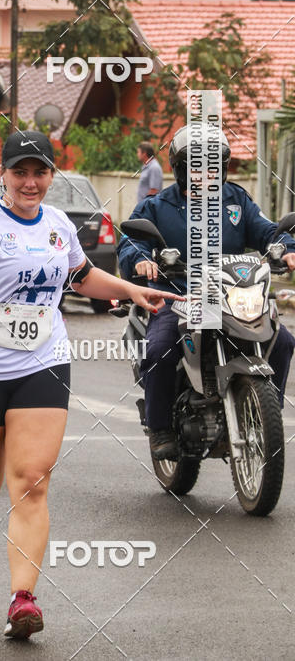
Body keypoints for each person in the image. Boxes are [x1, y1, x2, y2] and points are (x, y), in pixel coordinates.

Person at [0, 130, 180, 640]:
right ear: (2, 176)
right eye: (20, 172)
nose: (31, 182)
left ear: (52, 175)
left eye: (40, 172)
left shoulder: (56, 224)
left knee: (31, 479)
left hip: (43, 364)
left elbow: (80, 277)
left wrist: (130, 290)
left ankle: (22, 599)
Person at [118, 124, 295, 460]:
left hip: (231, 296)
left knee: (282, 341)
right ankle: (160, 428)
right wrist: (141, 261)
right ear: (181, 169)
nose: (206, 173)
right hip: (179, 297)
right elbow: (131, 243)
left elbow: (268, 232)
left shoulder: (236, 201)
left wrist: (286, 248)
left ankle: (264, 415)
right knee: (158, 349)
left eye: (214, 165)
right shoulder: (157, 207)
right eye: (197, 166)